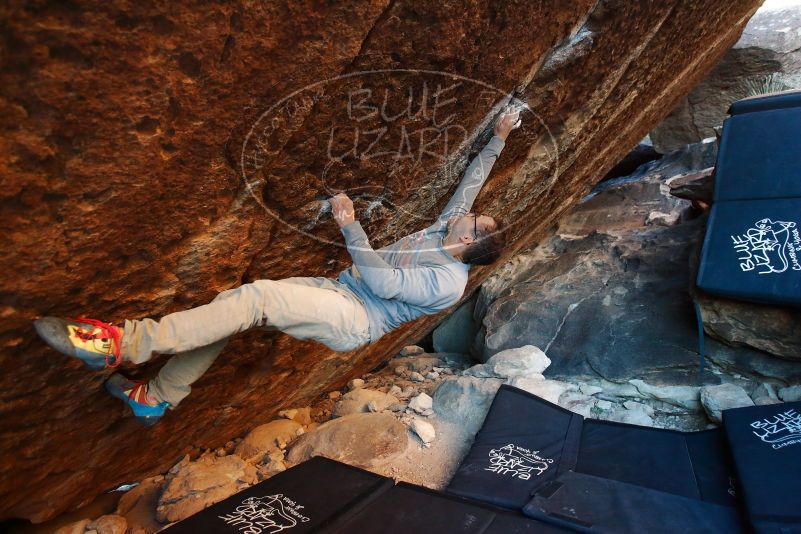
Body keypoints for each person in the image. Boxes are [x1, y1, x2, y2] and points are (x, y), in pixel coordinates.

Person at [34, 106, 520, 425]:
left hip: (355, 318)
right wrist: (497, 138)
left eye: (477, 219)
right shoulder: (447, 228)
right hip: (337, 289)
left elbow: (383, 279)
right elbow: (471, 183)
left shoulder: (446, 283)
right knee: (233, 311)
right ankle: (157, 396)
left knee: (258, 297)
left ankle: (122, 343)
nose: (471, 212)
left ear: (469, 240)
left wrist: (351, 225)